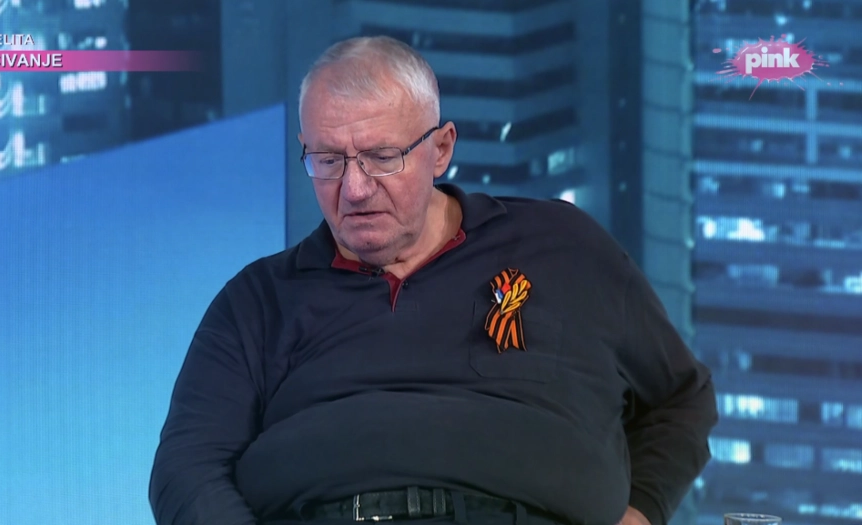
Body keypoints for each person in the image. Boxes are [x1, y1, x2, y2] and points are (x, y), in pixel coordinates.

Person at [149, 36, 718, 525]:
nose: (354, 189)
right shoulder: (258, 300)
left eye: (381, 157)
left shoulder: (562, 244)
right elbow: (185, 469)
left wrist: (641, 511)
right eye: (328, 160)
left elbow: (680, 399)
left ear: (441, 148)